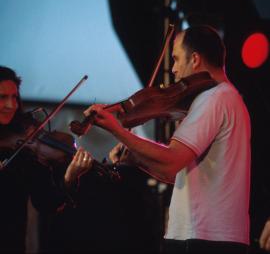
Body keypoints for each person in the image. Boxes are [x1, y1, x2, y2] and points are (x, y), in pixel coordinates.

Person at [83, 25, 251, 253]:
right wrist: (137, 159)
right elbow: (174, 171)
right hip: (210, 236)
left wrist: (117, 130)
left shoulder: (214, 98)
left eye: (176, 59)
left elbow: (172, 160)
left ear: (194, 59)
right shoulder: (228, 97)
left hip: (203, 237)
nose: (172, 69)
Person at [0, 66, 92, 253]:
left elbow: (47, 203)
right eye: (2, 97)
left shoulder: (26, 149)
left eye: (15, 97)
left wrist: (69, 178)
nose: (11, 105)